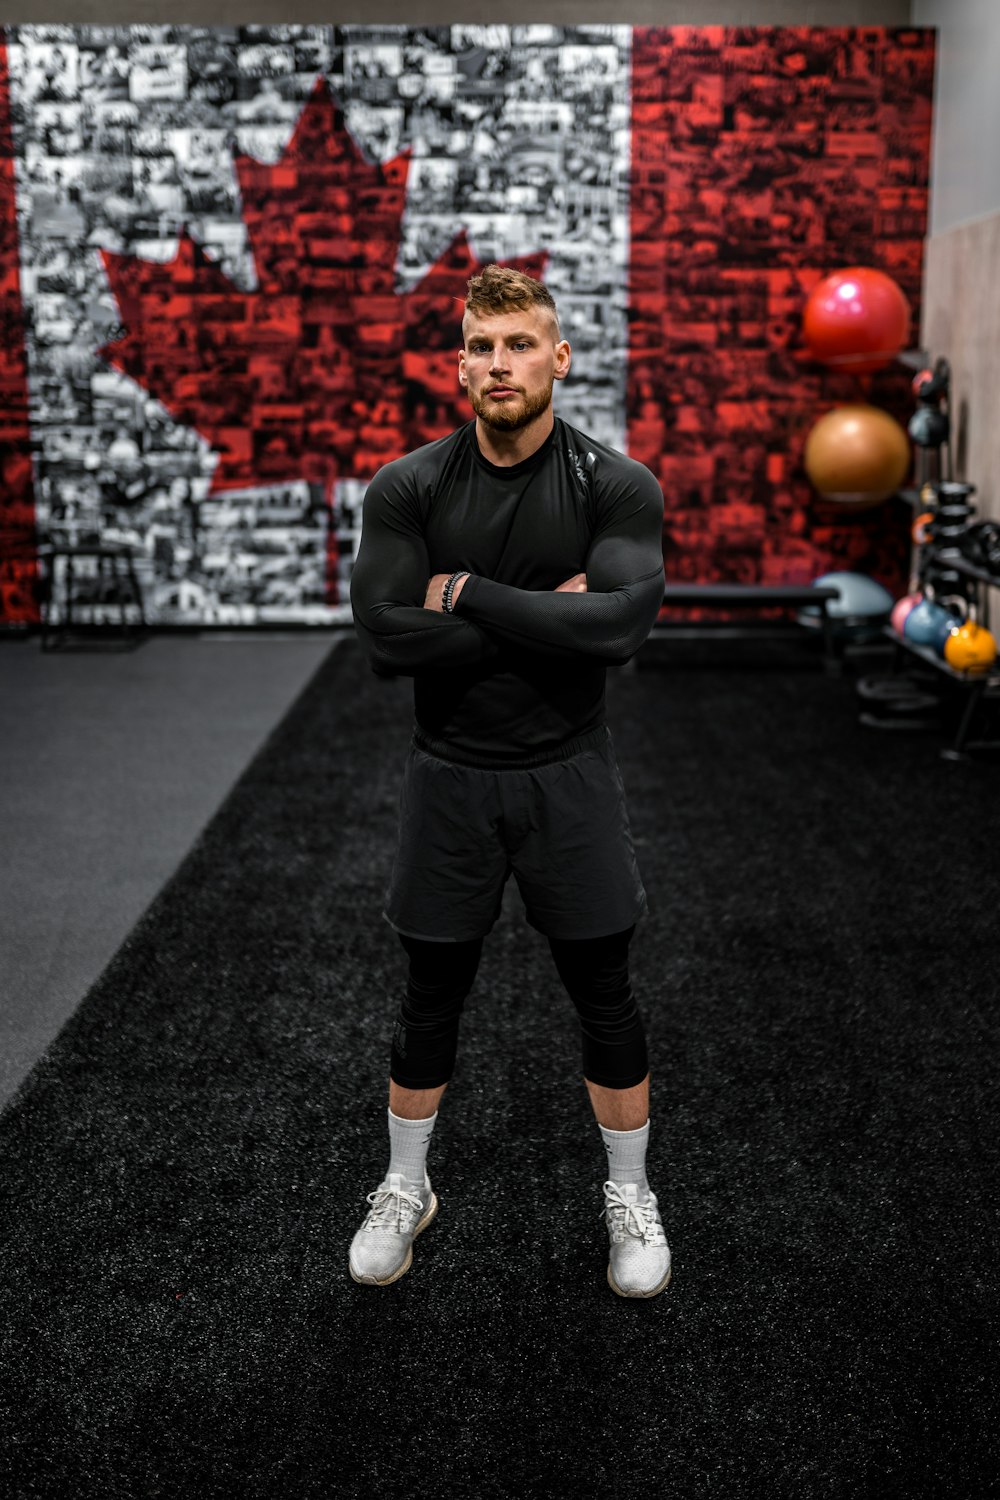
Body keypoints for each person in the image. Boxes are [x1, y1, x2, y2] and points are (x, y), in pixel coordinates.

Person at [348, 264, 670, 1297]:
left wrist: (467, 595)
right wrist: (548, 617)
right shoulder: (409, 486)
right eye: (481, 349)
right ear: (458, 366)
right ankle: (406, 1187)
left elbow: (617, 628)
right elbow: (387, 643)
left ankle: (629, 1197)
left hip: (568, 775)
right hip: (451, 778)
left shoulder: (613, 485)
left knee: (604, 993)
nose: (500, 365)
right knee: (428, 994)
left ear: (557, 358)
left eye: (520, 344)